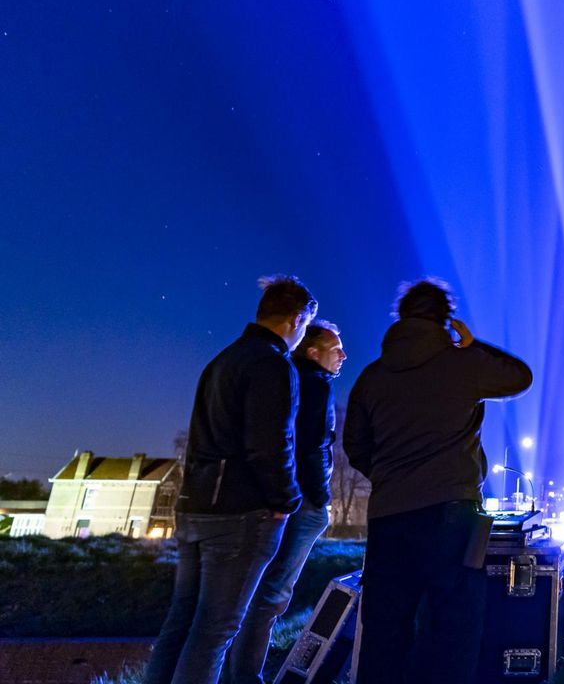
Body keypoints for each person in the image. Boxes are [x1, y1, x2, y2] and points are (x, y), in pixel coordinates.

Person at [345, 278, 533, 684]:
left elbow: (355, 445)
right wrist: (472, 345)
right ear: (445, 319)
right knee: (454, 627)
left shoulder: (370, 377)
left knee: (384, 629)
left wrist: (387, 476)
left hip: (388, 517)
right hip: (452, 514)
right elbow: (520, 377)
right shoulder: (461, 363)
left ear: (402, 317)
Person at [143, 276, 316, 684]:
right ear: (295, 320)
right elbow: (270, 444)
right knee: (215, 630)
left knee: (182, 622)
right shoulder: (273, 365)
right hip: (240, 514)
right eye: (306, 326)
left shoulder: (222, 360)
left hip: (195, 508)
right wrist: (287, 499)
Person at [227, 320, 347, 683]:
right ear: (313, 352)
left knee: (255, 592)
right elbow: (311, 444)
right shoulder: (316, 383)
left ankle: (233, 672)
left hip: (277, 497)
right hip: (301, 501)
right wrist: (320, 498)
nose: (343, 355)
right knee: (273, 594)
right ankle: (247, 676)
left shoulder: (287, 379)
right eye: (335, 348)